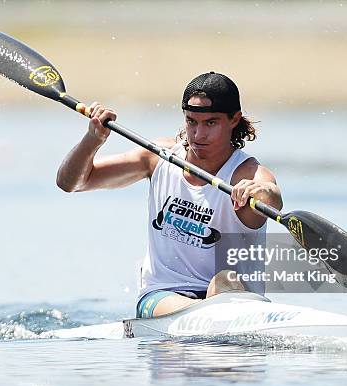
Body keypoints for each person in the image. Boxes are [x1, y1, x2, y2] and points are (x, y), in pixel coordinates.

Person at [56, 72, 282, 318]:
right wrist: (93, 139)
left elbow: (272, 197)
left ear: (234, 120)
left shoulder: (247, 173)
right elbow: (70, 182)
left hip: (232, 297)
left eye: (211, 123)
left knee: (225, 280)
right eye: (191, 122)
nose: (198, 135)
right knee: (215, 300)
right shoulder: (158, 158)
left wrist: (262, 192)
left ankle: (213, 317)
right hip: (162, 297)